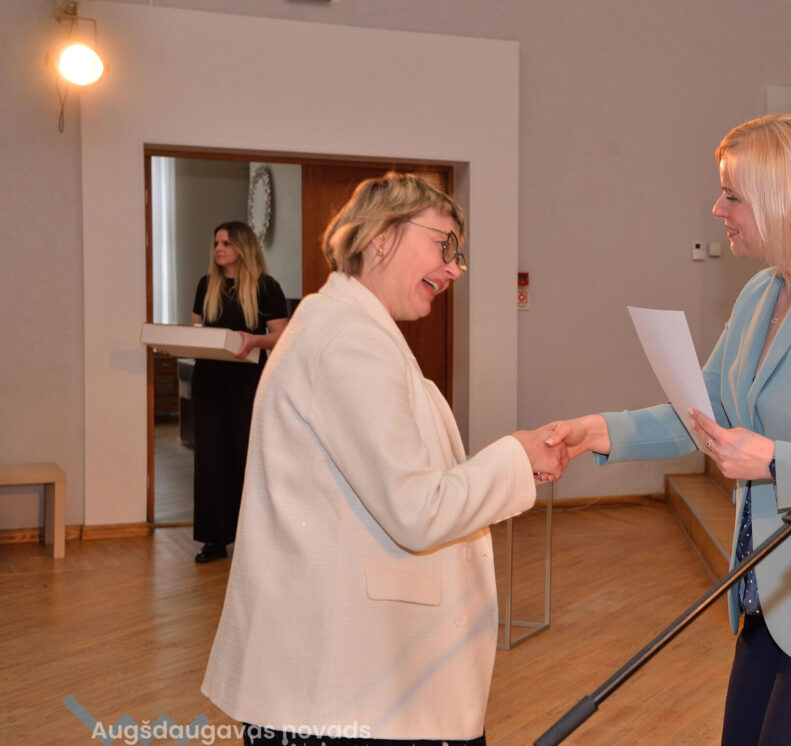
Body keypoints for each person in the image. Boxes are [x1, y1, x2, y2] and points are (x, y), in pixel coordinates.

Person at [545, 114, 791, 745]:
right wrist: (597, 432)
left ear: (783, 197)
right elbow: (706, 411)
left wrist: (778, 461)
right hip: (776, 595)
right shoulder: (762, 293)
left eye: (732, 196)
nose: (718, 209)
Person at [201, 173, 568, 746]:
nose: (454, 269)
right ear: (380, 236)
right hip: (343, 695)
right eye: (444, 245)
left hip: (348, 682)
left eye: (459, 255)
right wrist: (516, 457)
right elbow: (417, 509)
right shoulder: (348, 340)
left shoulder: (344, 327)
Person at [190, 221, 288, 564]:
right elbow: (196, 330)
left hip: (247, 382)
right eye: (216, 243)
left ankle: (254, 539)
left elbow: (282, 336)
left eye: (227, 243)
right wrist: (175, 343)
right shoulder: (206, 284)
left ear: (243, 247)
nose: (219, 249)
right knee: (210, 459)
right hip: (209, 381)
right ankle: (214, 539)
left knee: (246, 456)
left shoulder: (266, 287)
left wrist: (254, 340)